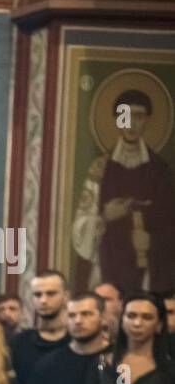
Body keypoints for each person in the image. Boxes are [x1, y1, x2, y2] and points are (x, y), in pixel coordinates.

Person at [72, 89, 175, 294]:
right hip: (108, 262)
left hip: (147, 270)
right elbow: (80, 226)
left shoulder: (160, 171)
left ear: (147, 121)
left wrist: (152, 241)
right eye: (125, 116)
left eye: (138, 116)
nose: (131, 123)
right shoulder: (100, 168)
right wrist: (104, 217)